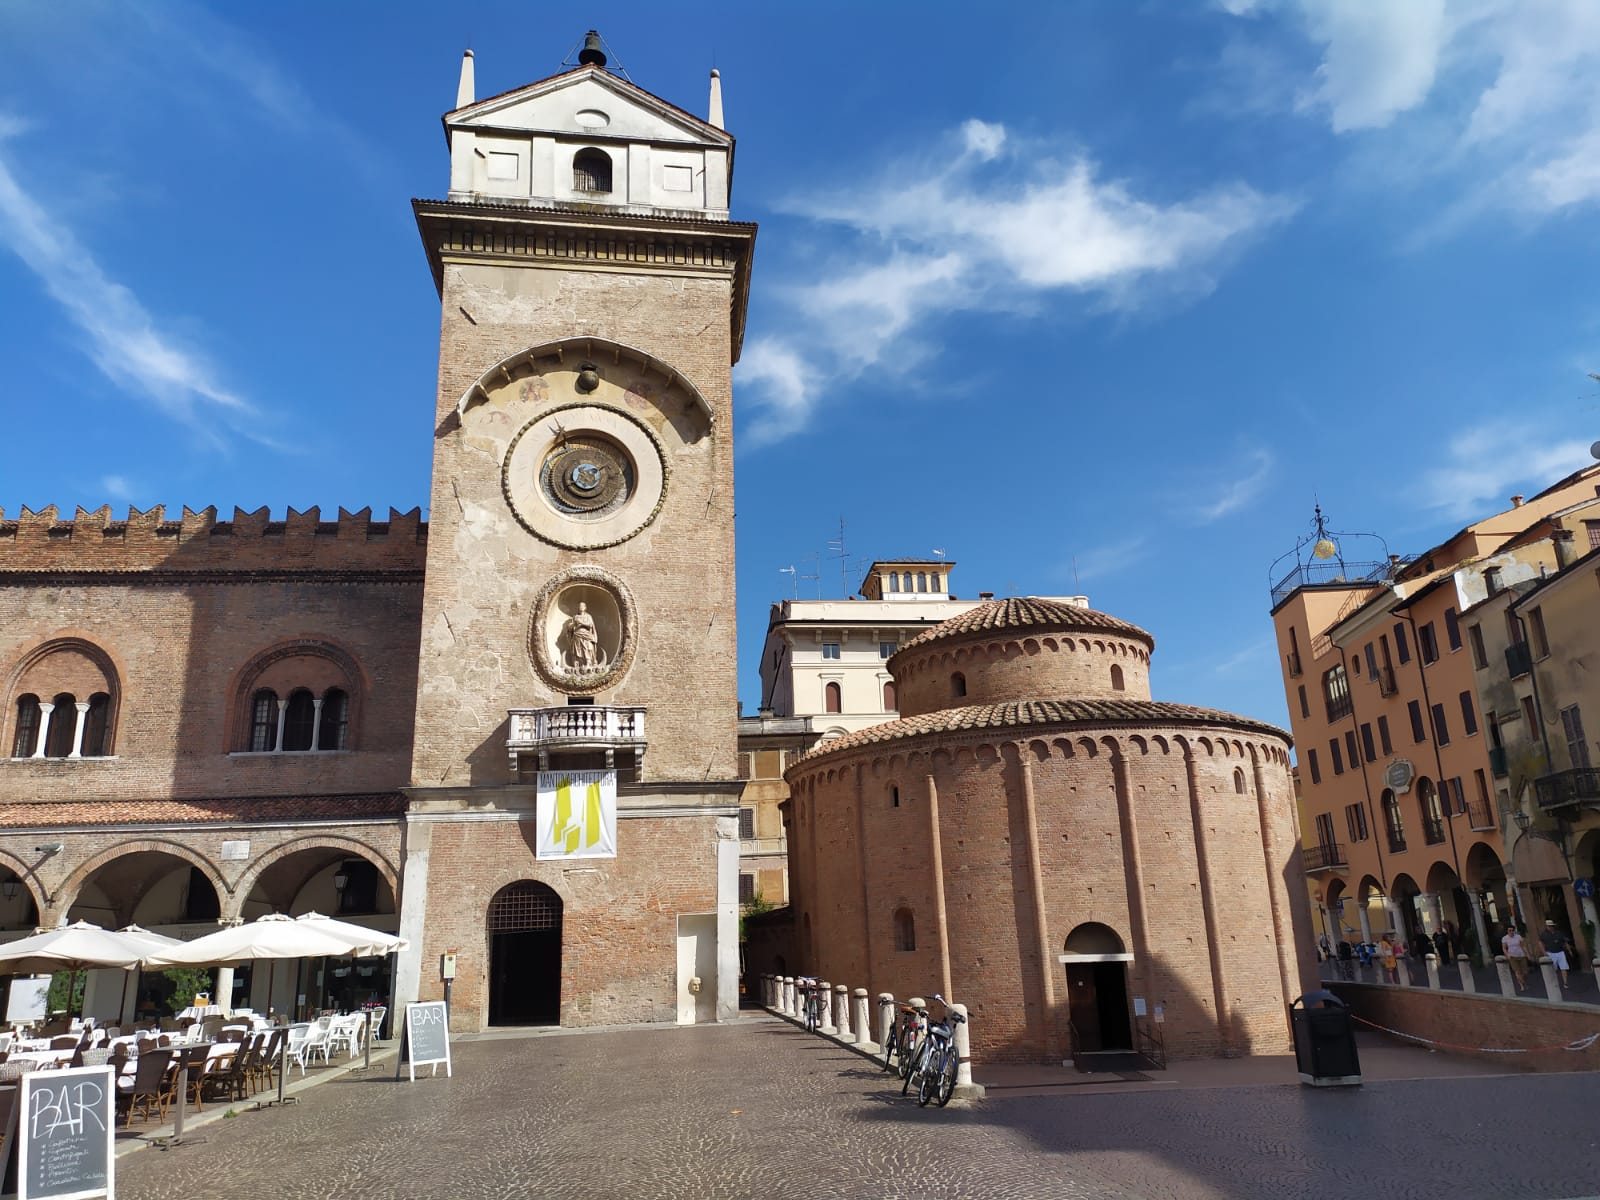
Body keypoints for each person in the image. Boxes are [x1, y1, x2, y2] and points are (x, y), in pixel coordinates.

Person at [563, 601, 599, 670]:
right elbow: (572, 627)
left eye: (582, 606)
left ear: (585, 607)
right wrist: (571, 625)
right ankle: (580, 664)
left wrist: (581, 623)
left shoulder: (588, 616)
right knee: (578, 649)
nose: (580, 607)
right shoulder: (575, 617)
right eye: (579, 606)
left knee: (587, 648)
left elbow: (590, 625)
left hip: (586, 635)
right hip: (577, 635)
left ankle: (588, 663)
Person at [1539, 920, 1573, 989]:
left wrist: (1569, 951)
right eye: (1549, 926)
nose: (1550, 927)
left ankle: (1565, 983)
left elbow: (1565, 942)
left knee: (1564, 968)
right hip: (1550, 953)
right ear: (1546, 927)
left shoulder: (1558, 933)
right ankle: (1554, 982)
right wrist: (1544, 952)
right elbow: (1540, 943)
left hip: (1560, 952)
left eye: (1552, 926)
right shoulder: (1544, 934)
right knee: (1553, 969)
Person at [1501, 923, 1529, 992]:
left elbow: (1523, 946)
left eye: (1512, 930)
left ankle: (1524, 982)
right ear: (1507, 931)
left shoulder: (1518, 937)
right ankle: (1522, 985)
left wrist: (1527, 953)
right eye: (1509, 930)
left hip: (1521, 955)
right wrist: (1507, 954)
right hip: (1512, 956)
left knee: (1525, 972)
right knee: (1517, 971)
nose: (1511, 932)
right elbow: (1504, 948)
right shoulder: (1505, 938)